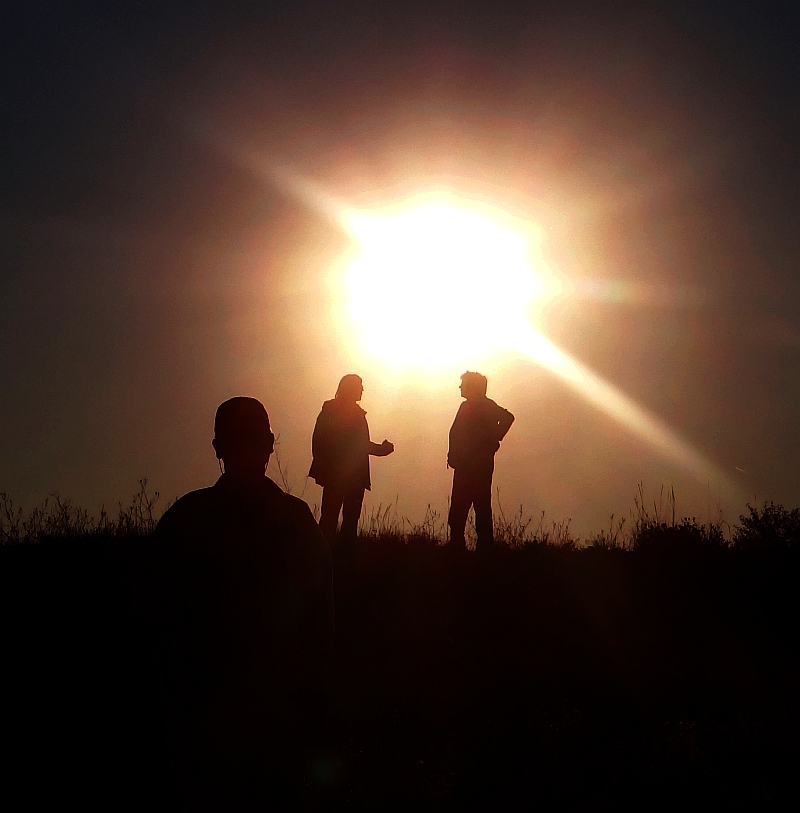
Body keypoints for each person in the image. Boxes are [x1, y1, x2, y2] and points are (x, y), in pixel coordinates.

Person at [155, 396, 333, 809]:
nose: (251, 451)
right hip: (228, 725)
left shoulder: (185, 519)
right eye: (245, 441)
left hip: (229, 728)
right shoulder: (295, 521)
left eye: (254, 441)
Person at [308, 374, 394, 546]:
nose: (362, 389)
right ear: (350, 388)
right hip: (342, 475)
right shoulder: (337, 411)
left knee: (342, 520)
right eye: (359, 385)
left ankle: (334, 553)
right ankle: (329, 554)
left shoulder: (338, 411)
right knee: (335, 520)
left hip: (348, 476)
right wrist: (381, 450)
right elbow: (355, 444)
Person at [447, 371, 515, 551]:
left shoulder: (486, 406)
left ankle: (484, 548)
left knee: (481, 506)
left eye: (464, 384)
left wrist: (493, 441)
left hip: (478, 466)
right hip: (463, 464)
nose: (460, 387)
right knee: (459, 507)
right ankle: (457, 545)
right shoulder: (466, 406)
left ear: (473, 386)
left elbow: (508, 418)